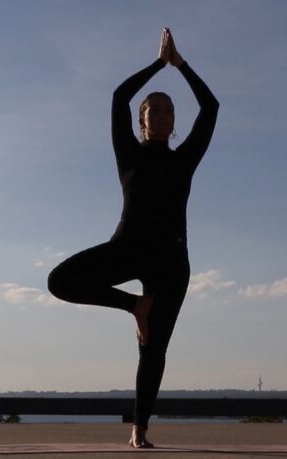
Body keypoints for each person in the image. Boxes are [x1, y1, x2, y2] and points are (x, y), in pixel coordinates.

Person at [47, 27, 219, 448]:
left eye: (167, 111)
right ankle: (134, 306)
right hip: (127, 248)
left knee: (154, 350)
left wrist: (182, 66)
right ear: (142, 121)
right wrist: (159, 64)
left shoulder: (185, 159)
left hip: (171, 262)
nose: (161, 116)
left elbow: (211, 107)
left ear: (173, 123)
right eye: (154, 110)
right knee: (60, 281)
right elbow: (117, 97)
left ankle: (139, 428)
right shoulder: (129, 153)